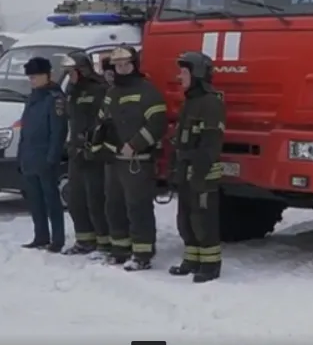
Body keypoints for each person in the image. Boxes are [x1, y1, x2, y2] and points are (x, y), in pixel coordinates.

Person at [92, 46, 166, 271]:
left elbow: (157, 123)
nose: (122, 69)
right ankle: (120, 250)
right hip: (114, 160)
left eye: (126, 64)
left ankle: (142, 254)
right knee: (113, 205)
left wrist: (134, 145)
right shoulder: (112, 92)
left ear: (134, 65)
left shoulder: (148, 91)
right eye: (118, 65)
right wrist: (100, 144)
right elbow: (102, 121)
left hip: (137, 161)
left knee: (137, 206)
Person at [167, 52, 225, 283]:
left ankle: (210, 265)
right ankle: (192, 260)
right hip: (186, 170)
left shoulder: (210, 103)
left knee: (203, 220)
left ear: (197, 73)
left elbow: (210, 145)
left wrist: (197, 170)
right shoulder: (191, 101)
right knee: (186, 219)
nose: (179, 76)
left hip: (202, 173)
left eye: (184, 71)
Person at [60, 51, 111, 256]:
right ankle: (84, 240)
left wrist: (92, 141)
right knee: (75, 198)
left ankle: (104, 242)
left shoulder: (99, 90)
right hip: (76, 152)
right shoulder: (71, 91)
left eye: (72, 72)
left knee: (96, 199)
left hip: (94, 153)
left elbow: (105, 122)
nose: (69, 76)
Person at [18, 57, 69, 252]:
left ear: (48, 75)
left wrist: (52, 157)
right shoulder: (32, 98)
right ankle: (41, 235)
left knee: (51, 200)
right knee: (35, 200)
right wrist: (21, 156)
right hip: (30, 157)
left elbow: (58, 132)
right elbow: (25, 130)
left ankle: (57, 239)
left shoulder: (54, 98)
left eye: (36, 76)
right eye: (30, 77)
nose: (32, 80)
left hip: (45, 157)